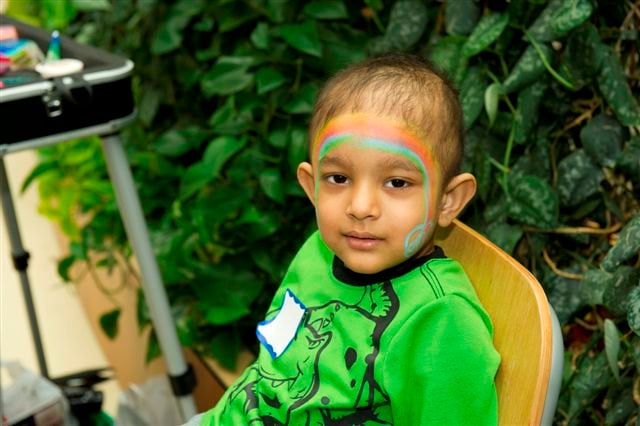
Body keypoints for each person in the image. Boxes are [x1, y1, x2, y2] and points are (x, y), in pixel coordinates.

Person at [197, 52, 500, 425]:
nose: (360, 207)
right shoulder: (318, 251)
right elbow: (272, 369)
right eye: (338, 178)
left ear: (448, 201)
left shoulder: (440, 322)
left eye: (397, 182)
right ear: (312, 187)